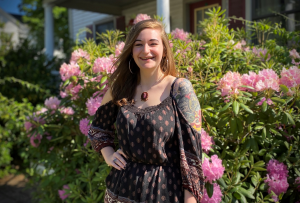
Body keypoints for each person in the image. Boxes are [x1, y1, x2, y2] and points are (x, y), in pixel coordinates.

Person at [88, 19, 204, 203]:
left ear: (164, 50)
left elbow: (192, 158)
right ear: (131, 51)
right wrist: (108, 155)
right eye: (138, 44)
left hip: (164, 192)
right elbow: (98, 130)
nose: (146, 50)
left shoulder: (180, 89)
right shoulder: (120, 89)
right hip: (120, 190)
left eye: (153, 43)